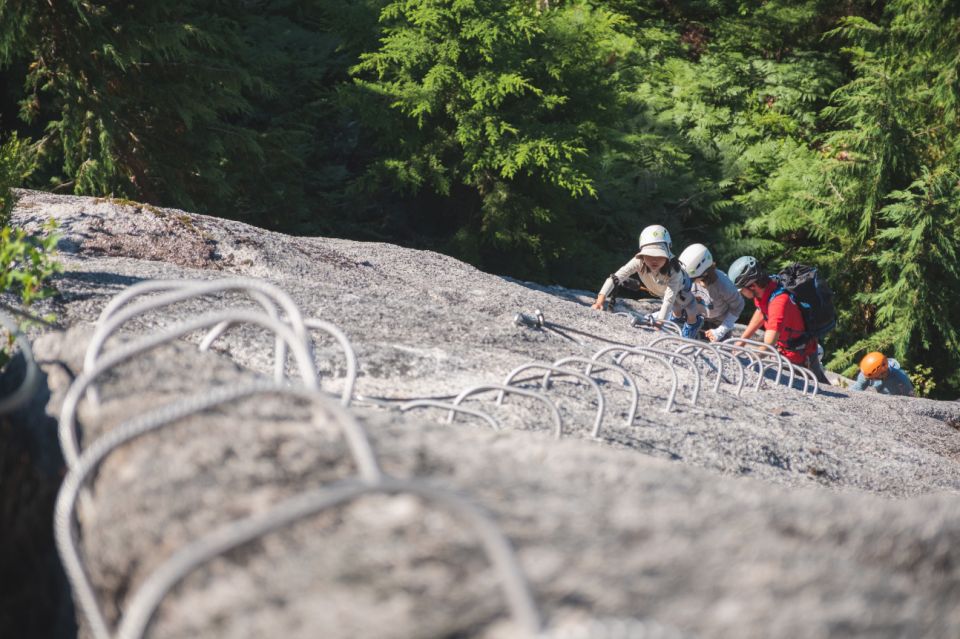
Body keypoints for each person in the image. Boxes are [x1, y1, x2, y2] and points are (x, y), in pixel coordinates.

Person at [727, 255, 830, 384]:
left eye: (741, 290)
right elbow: (761, 311)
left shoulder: (778, 302)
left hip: (800, 358)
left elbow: (768, 344)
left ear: (752, 286)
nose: (741, 293)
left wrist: (748, 363)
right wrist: (741, 341)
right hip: (786, 352)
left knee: (818, 388)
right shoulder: (769, 286)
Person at [591, 224, 704, 339]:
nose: (654, 260)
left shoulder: (675, 271)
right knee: (676, 310)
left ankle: (693, 323)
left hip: (681, 291)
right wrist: (600, 301)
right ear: (642, 255)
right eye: (649, 255)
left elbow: (669, 299)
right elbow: (616, 277)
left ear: (667, 254)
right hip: (663, 292)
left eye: (659, 255)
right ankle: (677, 316)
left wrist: (659, 323)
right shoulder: (639, 262)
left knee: (688, 306)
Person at [678, 243, 744, 342]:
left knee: (718, 352)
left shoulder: (723, 284)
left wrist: (721, 330)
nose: (688, 281)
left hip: (719, 321)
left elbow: (738, 306)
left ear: (704, 273)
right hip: (694, 316)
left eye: (692, 279)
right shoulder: (686, 277)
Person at [849, 352, 915, 396]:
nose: (868, 379)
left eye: (872, 378)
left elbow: (910, 397)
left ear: (882, 374)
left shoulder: (900, 379)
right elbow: (856, 389)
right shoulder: (868, 372)